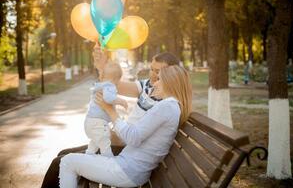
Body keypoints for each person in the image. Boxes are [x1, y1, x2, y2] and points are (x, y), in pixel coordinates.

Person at [40, 45, 180, 188]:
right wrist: (103, 67)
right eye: (151, 69)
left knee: (60, 162)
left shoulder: (165, 102)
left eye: (157, 72)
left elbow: (136, 137)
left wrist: (112, 117)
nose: (152, 75)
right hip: (123, 144)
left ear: (171, 75)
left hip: (123, 147)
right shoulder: (147, 86)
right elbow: (114, 84)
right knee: (63, 154)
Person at [59, 65, 192, 187]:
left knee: (67, 161)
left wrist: (110, 111)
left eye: (159, 80)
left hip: (127, 171)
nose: (155, 83)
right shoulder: (170, 107)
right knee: (73, 158)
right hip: (129, 168)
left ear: (170, 83)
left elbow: (132, 137)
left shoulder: (167, 106)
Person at [84, 61, 127, 156]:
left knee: (95, 142)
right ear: (116, 79)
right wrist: (120, 101)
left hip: (90, 121)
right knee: (105, 144)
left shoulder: (100, 85)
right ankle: (108, 160)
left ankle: (88, 155)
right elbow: (108, 98)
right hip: (98, 123)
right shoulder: (109, 86)